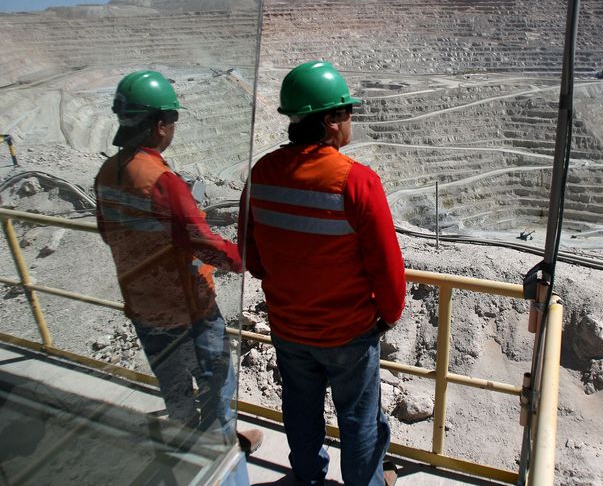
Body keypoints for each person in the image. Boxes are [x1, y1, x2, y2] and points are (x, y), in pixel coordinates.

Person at [238, 61, 405, 486]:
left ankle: (309, 478)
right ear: (330, 121)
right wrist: (387, 314)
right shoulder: (357, 182)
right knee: (359, 420)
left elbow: (252, 255)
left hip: (288, 326)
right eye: (347, 112)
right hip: (347, 331)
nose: (351, 120)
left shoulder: (262, 173)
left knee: (301, 409)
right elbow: (386, 267)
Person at [94, 70, 262, 466]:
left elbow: (107, 233)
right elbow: (202, 241)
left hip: (143, 305)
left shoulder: (106, 174)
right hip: (188, 310)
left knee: (174, 388)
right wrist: (243, 260)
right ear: (157, 126)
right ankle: (219, 458)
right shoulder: (160, 179)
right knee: (216, 382)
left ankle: (185, 454)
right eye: (172, 120)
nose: (172, 129)